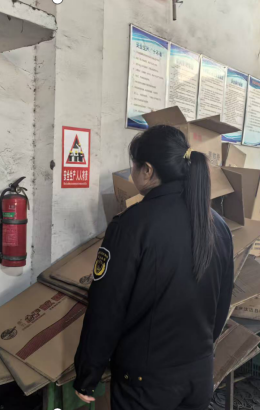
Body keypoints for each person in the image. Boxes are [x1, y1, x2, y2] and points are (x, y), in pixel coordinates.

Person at [73, 125, 234, 410]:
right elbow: (222, 304)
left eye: (133, 166)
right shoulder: (217, 225)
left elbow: (107, 307)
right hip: (198, 377)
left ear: (147, 170)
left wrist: (88, 373)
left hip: (146, 384)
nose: (131, 173)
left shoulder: (131, 225)